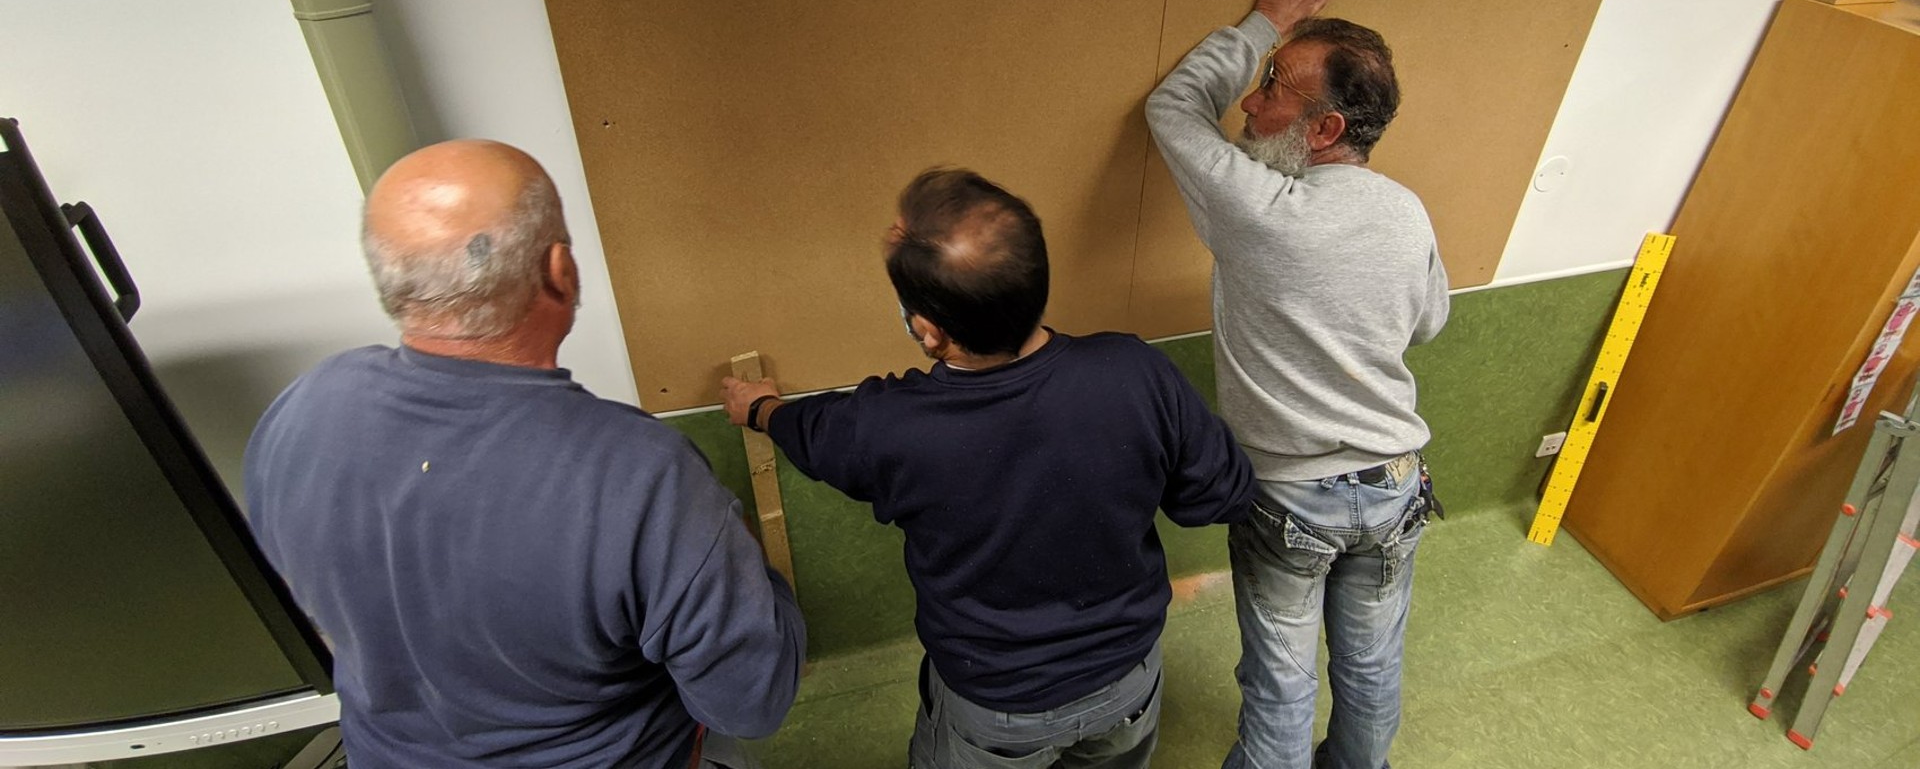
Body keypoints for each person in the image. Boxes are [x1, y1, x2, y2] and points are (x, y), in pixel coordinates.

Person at [246, 139, 804, 769]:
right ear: (559, 270)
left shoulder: (304, 405)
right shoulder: (641, 475)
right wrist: (751, 576)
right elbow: (751, 704)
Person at [719, 167, 1254, 769]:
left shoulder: (888, 426)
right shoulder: (1135, 371)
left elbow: (814, 433)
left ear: (929, 332)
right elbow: (1221, 495)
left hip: (994, 715)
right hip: (1127, 686)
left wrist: (758, 408)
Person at [1145, 0, 1450, 769]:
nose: (1249, 100)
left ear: (1323, 130)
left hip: (1291, 500)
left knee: (1281, 681)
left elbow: (1171, 106)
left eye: (1273, 84)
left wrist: (1263, 18)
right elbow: (1428, 323)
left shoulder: (1254, 206)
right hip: (1395, 487)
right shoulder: (1405, 210)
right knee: (1372, 662)